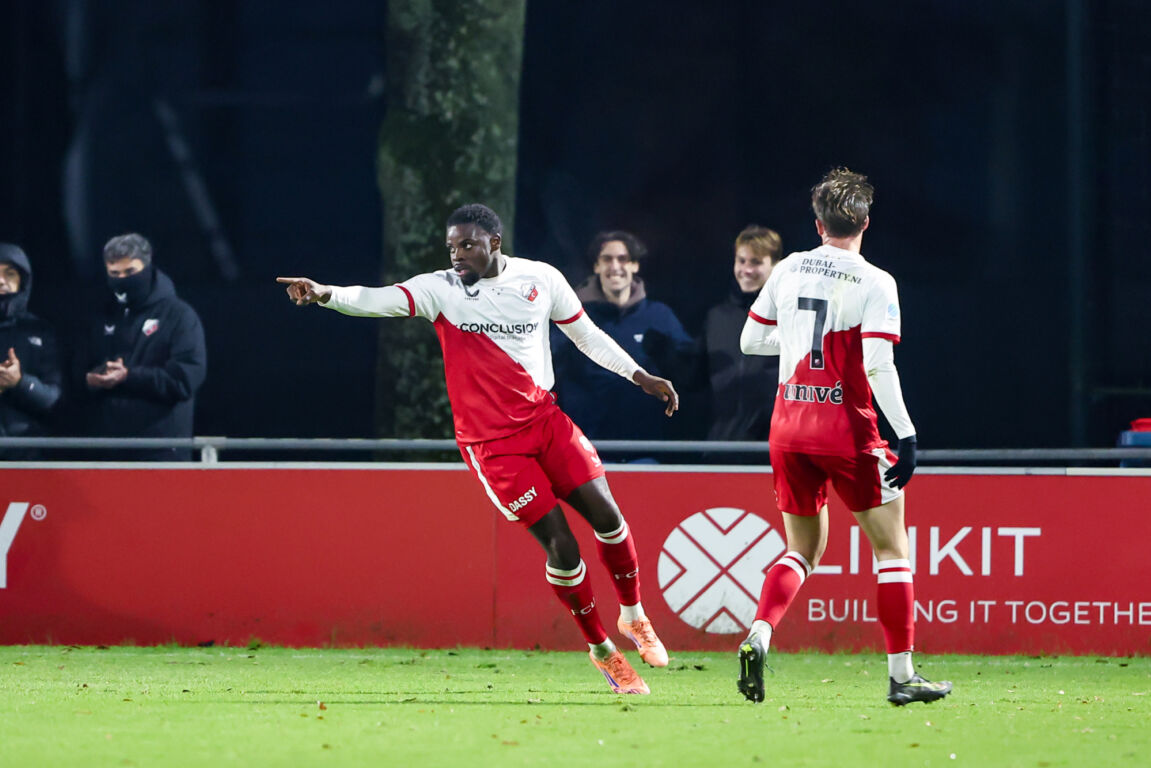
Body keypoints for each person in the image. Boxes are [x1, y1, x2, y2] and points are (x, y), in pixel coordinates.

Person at [277, 204, 679, 695]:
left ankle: (634, 616)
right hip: (493, 446)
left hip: (546, 421)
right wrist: (325, 294)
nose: (457, 254)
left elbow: (586, 336)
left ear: (494, 241)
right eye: (451, 246)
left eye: (467, 244)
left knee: (609, 518)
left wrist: (639, 375)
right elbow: (377, 299)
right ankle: (603, 652)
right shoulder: (440, 289)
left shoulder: (541, 279)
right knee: (564, 548)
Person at [736, 169, 951, 706]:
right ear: (865, 222)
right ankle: (902, 676)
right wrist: (907, 434)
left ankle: (759, 634)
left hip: (787, 428)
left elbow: (750, 341)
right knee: (892, 548)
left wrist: (798, 352)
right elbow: (879, 365)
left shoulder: (787, 268)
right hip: (846, 431)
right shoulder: (876, 281)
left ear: (818, 223)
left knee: (802, 550)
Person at [551, 231, 692, 452]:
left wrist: (669, 356)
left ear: (635, 265)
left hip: (646, 450)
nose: (615, 266)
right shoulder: (575, 316)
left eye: (623, 259)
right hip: (586, 448)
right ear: (596, 266)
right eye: (607, 259)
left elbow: (689, 374)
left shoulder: (660, 316)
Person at [78, 233, 207, 461]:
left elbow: (185, 379)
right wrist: (91, 379)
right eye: (114, 273)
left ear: (147, 267)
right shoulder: (102, 316)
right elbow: (78, 368)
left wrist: (129, 376)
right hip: (108, 452)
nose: (122, 279)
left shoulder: (179, 316)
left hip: (162, 451)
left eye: (130, 272)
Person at [702, 225, 783, 450]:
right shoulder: (717, 317)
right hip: (720, 449)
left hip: (773, 449)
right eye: (741, 261)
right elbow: (695, 379)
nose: (746, 269)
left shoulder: (789, 316)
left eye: (756, 262)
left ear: (775, 265)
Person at [0, 243, 63, 459]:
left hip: (25, 455)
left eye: (9, 274)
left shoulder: (40, 331)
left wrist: (19, 382)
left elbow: (53, 399)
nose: (1, 281)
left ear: (22, 281)